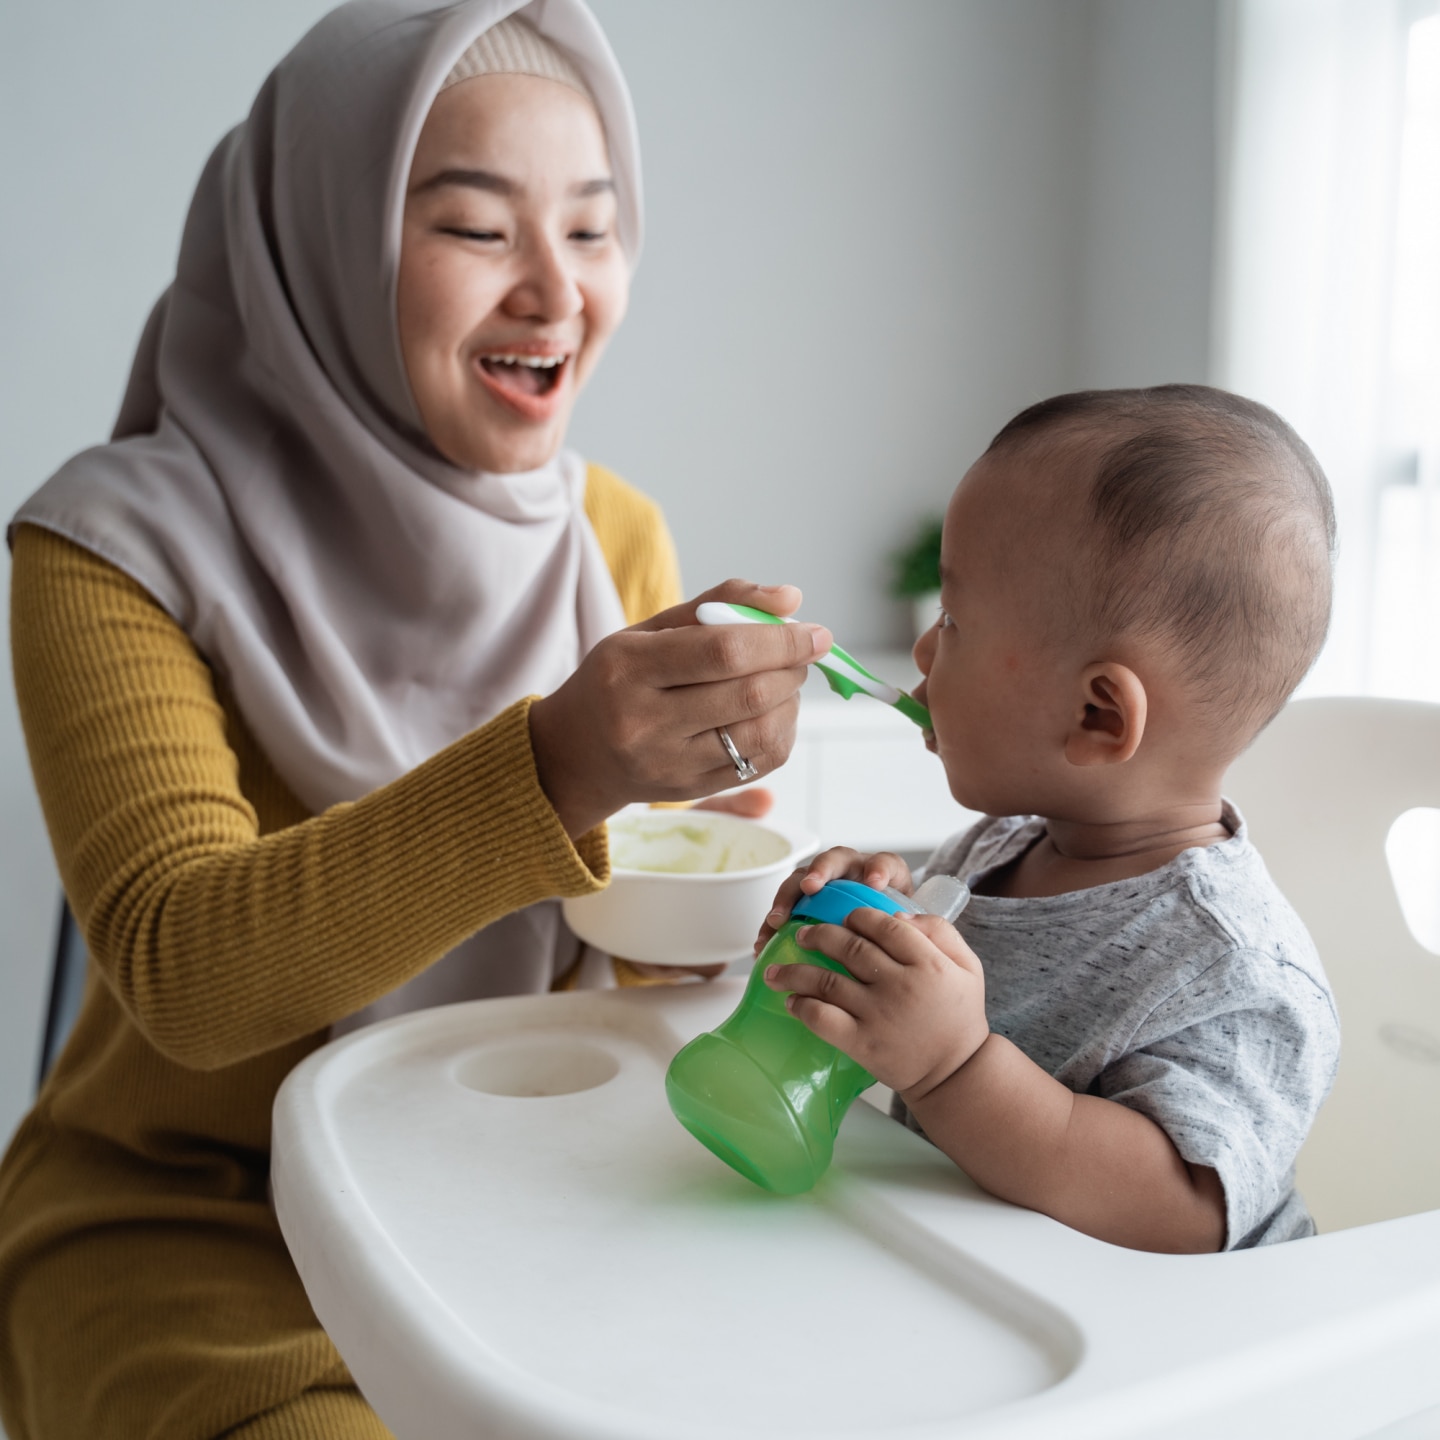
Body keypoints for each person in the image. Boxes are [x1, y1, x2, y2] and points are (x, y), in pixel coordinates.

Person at [0, 4, 829, 1437]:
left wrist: (730, 909)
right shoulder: (104, 548)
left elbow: (616, 972)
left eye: (590, 228)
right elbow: (183, 971)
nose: (554, 293)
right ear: (321, 245)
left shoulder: (611, 534)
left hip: (521, 1201)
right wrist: (564, 762)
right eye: (472, 229)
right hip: (206, 1240)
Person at [758, 384, 1342, 1255]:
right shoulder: (1003, 847)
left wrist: (953, 1066)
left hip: (1174, 1361)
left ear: (1099, 715)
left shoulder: (1237, 970)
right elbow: (917, 1004)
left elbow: (1181, 1210)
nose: (922, 649)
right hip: (972, 1285)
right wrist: (867, 940)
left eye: (953, 620)